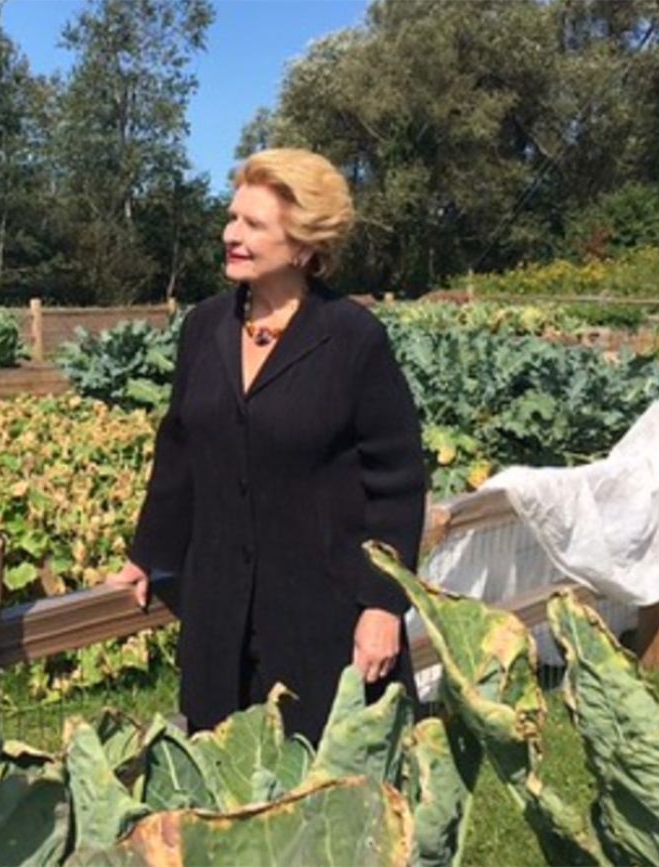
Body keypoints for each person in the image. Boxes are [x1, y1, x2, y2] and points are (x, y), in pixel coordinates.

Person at [107, 148, 427, 743]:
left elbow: (398, 482)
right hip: (219, 614)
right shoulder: (205, 326)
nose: (231, 235)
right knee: (224, 792)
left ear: (304, 246)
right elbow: (179, 449)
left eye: (253, 225)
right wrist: (147, 552)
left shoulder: (353, 339)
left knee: (320, 805)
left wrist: (383, 605)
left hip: (324, 620)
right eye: (231, 218)